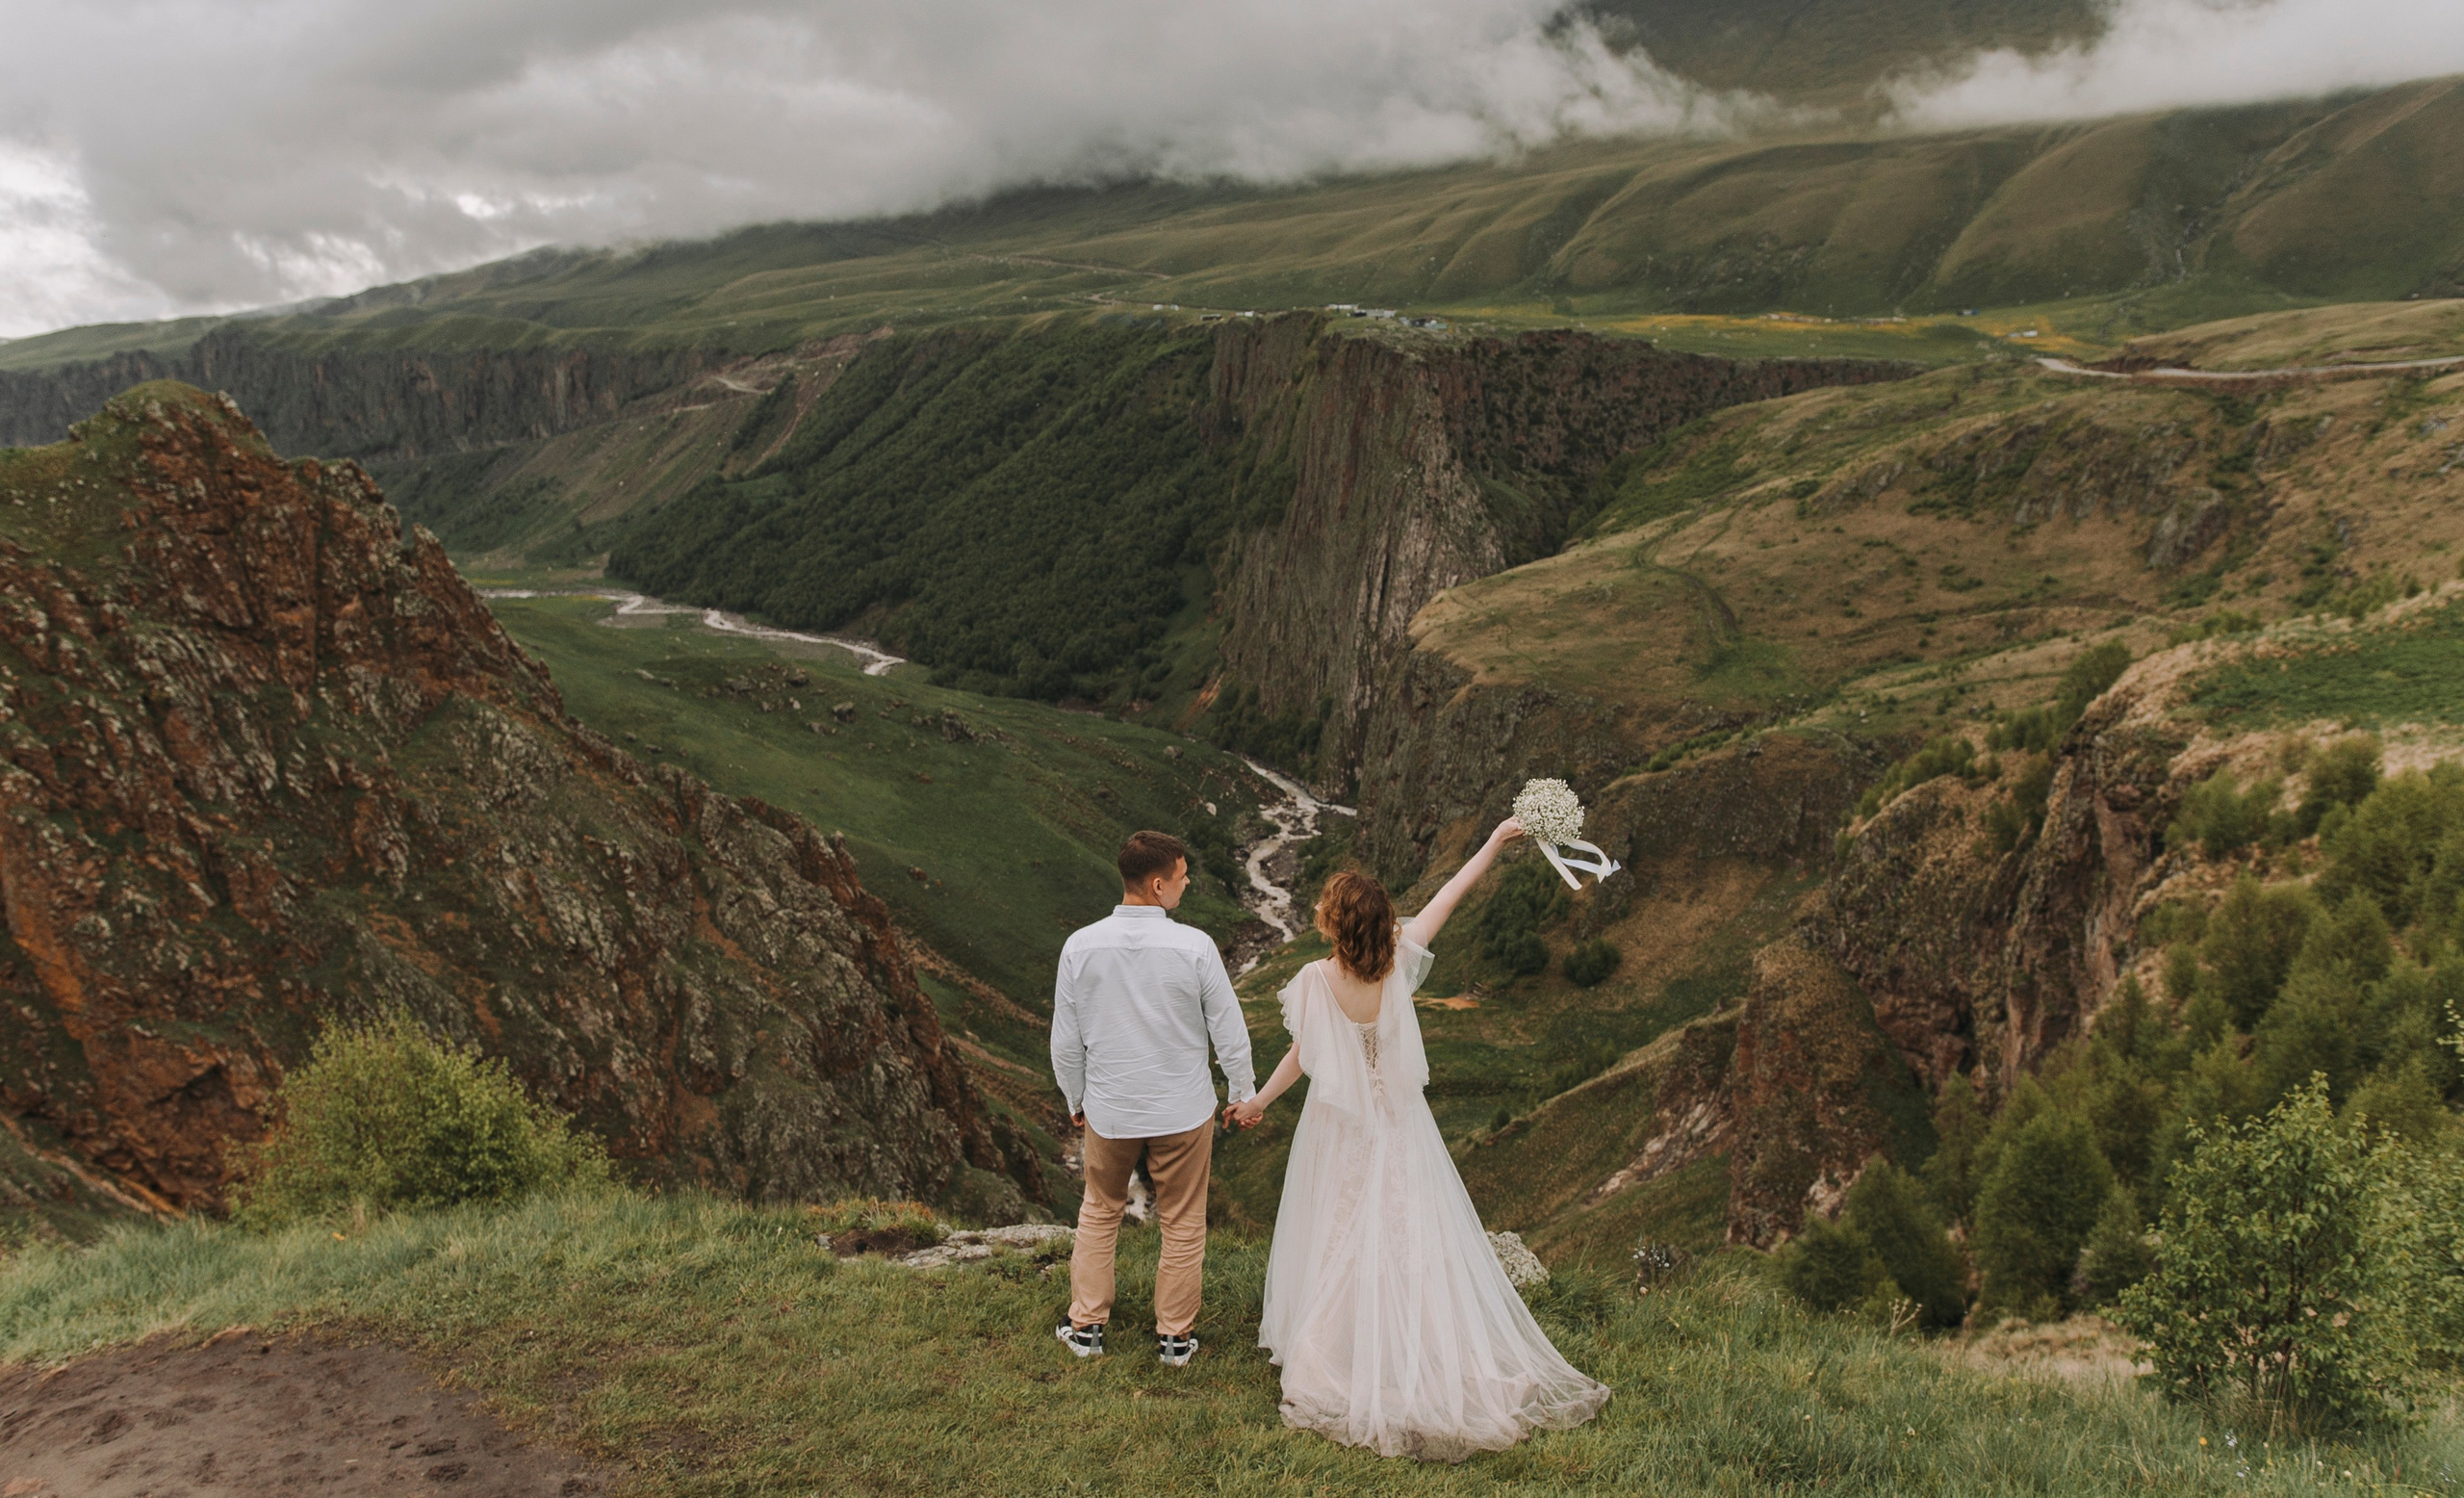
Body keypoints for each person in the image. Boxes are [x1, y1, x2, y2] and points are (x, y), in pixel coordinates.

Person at [1226, 815, 1610, 1460]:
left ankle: (1347, 1349)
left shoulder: (1316, 983)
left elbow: (1301, 1053)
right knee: (1406, 1235)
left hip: (1339, 1130)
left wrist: (1260, 1100)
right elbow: (1451, 895)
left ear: (1331, 924)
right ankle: (1415, 1343)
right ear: (1381, 925)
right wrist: (1492, 840)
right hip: (1401, 1124)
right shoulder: (1401, 958)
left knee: (1340, 1232)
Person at [1050, 830, 1255, 1367]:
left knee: (1099, 1210)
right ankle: (1175, 1338)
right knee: (1184, 1221)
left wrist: (1075, 1096)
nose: (1188, 886)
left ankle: (1087, 1327)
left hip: (1111, 1108)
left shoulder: (1080, 946)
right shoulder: (1195, 946)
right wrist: (1242, 1091)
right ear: (1158, 884)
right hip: (1183, 1108)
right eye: (1183, 878)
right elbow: (1227, 1028)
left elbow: (1066, 1039)